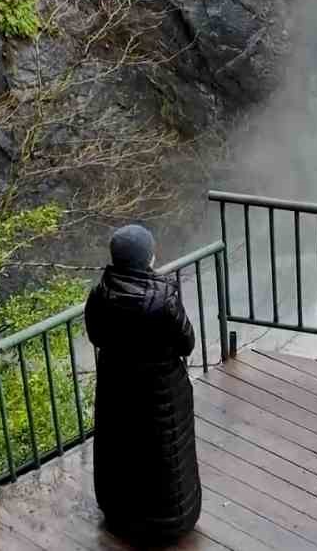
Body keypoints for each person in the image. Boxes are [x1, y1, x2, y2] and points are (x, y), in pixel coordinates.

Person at [84, 224, 202, 544]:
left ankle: (121, 514)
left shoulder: (100, 294)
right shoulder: (164, 300)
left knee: (122, 449)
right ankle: (172, 520)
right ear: (147, 258)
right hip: (162, 391)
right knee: (165, 453)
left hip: (117, 387)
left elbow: (96, 336)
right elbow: (186, 342)